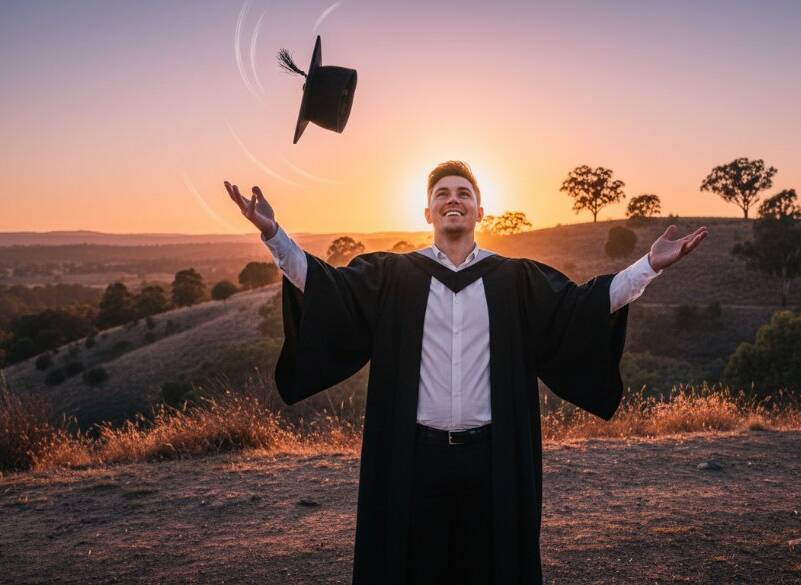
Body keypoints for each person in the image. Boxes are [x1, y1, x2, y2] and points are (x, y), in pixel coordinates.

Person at [224, 161, 708, 585]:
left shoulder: (516, 279)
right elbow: (324, 285)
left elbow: (582, 307)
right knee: (408, 566)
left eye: (463, 195)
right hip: (412, 459)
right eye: (442, 195)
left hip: (492, 459)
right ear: (427, 213)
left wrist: (649, 266)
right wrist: (273, 234)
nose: (452, 201)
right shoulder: (393, 276)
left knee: (493, 566)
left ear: (480, 212)